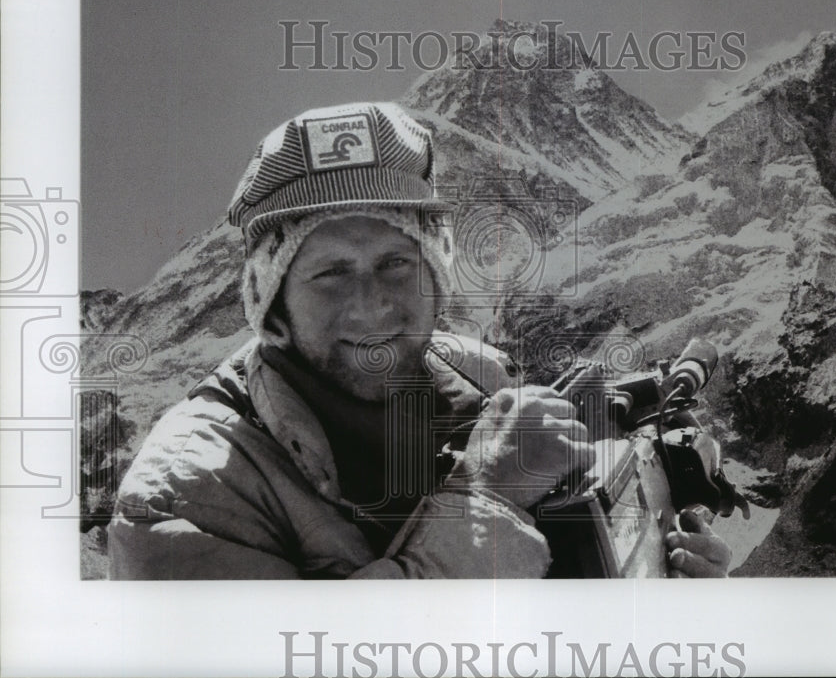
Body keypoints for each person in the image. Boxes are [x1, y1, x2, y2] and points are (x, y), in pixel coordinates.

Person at [108, 101, 731, 579]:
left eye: (396, 263)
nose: (372, 304)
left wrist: (654, 568)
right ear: (270, 303)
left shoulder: (483, 376)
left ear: (435, 273)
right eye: (330, 273)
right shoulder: (185, 496)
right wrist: (487, 495)